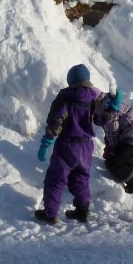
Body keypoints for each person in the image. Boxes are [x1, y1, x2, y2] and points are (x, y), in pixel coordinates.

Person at [35, 64, 101, 224]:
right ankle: (83, 211)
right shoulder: (94, 99)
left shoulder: (65, 99)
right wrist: (113, 107)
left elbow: (55, 122)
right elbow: (103, 119)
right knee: (81, 179)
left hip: (67, 146)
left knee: (56, 179)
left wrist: (46, 142)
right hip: (86, 147)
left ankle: (50, 214)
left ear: (70, 80)